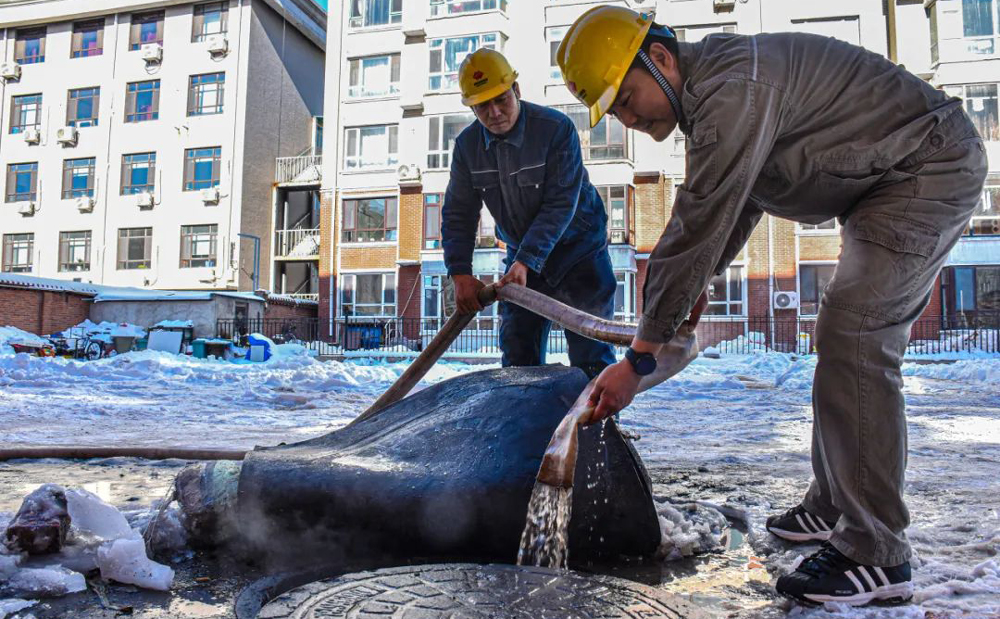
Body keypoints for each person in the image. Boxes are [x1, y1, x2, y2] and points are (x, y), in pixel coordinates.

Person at [557, 6, 987, 607]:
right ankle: (835, 502)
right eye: (617, 112)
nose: (628, 118)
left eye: (626, 99)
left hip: (926, 166)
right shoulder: (716, 97)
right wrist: (692, 288)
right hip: (884, 182)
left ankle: (877, 553)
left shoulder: (731, 90)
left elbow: (700, 215)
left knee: (856, 336)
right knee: (841, 336)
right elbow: (737, 205)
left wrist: (641, 357)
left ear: (659, 58)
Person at [442, 48, 617, 378]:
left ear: (517, 90)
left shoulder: (556, 130)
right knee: (518, 352)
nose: (494, 112)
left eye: (501, 99)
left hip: (579, 253)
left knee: (590, 352)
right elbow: (458, 213)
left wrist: (525, 261)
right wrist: (460, 272)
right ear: (471, 107)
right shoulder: (467, 148)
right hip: (524, 258)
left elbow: (560, 203)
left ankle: (598, 429)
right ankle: (528, 428)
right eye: (482, 105)